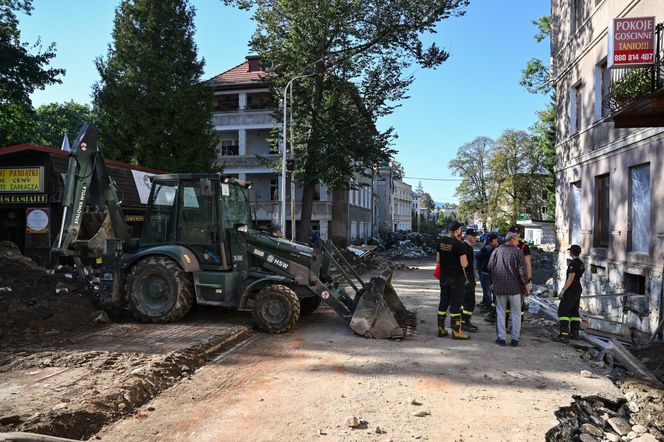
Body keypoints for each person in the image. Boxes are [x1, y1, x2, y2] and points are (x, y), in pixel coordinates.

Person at [488, 231, 530, 347]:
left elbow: (490, 266)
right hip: (515, 289)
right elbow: (522, 271)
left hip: (499, 288)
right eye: (517, 240)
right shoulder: (518, 252)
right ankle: (515, 339)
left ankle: (501, 338)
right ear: (512, 239)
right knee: (516, 314)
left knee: (500, 313)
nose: (518, 242)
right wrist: (526, 286)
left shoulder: (497, 250)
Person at [436, 220, 470, 340]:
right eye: (460, 229)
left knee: (443, 302)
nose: (461, 231)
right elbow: (464, 264)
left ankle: (441, 329)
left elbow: (438, 260)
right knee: (455, 304)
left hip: (444, 278)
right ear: (456, 231)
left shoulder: (441, 242)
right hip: (456, 279)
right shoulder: (459, 245)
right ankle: (456, 332)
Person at [555, 244, 585, 343]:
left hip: (571, 289)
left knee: (563, 311)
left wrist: (563, 290)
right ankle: (574, 333)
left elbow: (570, 278)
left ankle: (564, 335)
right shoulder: (581, 263)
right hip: (577, 289)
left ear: (571, 252)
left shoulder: (573, 264)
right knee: (574, 311)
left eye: (570, 251)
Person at [504, 225, 532, 329]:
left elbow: (528, 263)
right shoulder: (505, 245)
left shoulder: (524, 247)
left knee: (516, 305)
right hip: (510, 279)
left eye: (517, 233)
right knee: (509, 304)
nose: (516, 235)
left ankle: (513, 327)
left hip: (516, 279)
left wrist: (528, 279)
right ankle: (508, 325)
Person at [461, 228, 480, 333]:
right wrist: (466, 279)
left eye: (475, 236)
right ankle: (464, 322)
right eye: (473, 236)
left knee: (468, 301)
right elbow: (463, 265)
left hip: (469, 277)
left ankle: (465, 321)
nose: (475, 237)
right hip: (466, 278)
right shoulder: (465, 247)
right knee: (469, 302)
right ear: (467, 236)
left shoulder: (469, 247)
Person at [477, 233, 498, 315]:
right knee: (487, 292)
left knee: (492, 292)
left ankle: (492, 309)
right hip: (487, 273)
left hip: (492, 274)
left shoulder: (498, 249)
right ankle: (490, 308)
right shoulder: (487, 248)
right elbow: (478, 256)